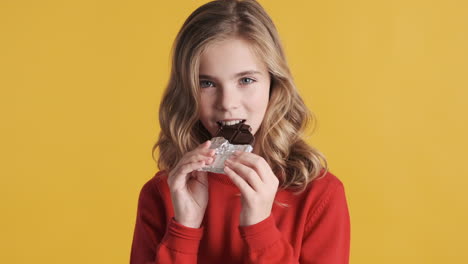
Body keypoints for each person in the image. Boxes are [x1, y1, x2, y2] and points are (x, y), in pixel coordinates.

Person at [130, 0, 350, 263]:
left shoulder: (319, 195)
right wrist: (184, 230)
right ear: (187, 91)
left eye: (246, 80)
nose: (227, 103)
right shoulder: (164, 193)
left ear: (274, 84)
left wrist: (260, 229)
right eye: (207, 83)